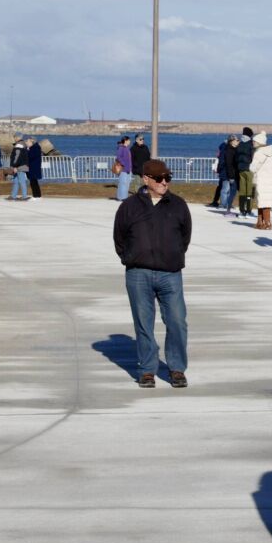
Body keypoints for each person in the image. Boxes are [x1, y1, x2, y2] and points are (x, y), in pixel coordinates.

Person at [112, 157, 192, 389]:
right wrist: (131, 258)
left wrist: (173, 255)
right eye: (159, 178)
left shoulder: (178, 205)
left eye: (168, 178)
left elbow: (185, 237)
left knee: (177, 321)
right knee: (144, 324)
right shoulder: (129, 207)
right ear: (146, 179)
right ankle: (147, 370)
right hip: (138, 274)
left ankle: (176, 369)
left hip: (170, 273)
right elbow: (119, 239)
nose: (164, 182)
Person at [248, 133, 272, 231]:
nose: (252, 143)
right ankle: (260, 222)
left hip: (262, 180)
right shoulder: (269, 151)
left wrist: (250, 167)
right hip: (269, 179)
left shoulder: (260, 152)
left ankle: (267, 223)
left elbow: (254, 167)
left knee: (263, 201)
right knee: (263, 201)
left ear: (259, 142)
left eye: (254, 141)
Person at [235, 128, 259, 218]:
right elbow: (253, 157)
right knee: (249, 191)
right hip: (249, 170)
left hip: (241, 170)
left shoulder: (240, 144)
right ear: (250, 135)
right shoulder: (250, 145)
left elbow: (236, 157)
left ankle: (242, 211)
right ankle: (248, 211)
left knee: (242, 191)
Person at [213, 134, 239, 212]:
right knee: (225, 189)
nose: (237, 142)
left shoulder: (233, 149)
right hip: (226, 172)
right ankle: (223, 204)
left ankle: (227, 204)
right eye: (236, 140)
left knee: (229, 190)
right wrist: (221, 170)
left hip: (230, 172)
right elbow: (226, 163)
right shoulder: (227, 150)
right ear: (231, 141)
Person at [114, 136, 135, 202]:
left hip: (128, 169)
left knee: (127, 184)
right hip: (123, 169)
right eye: (129, 140)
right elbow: (118, 157)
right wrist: (124, 164)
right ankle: (121, 197)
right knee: (123, 183)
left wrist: (130, 167)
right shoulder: (121, 148)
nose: (130, 141)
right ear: (125, 140)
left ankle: (124, 197)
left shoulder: (127, 148)